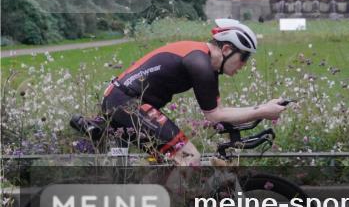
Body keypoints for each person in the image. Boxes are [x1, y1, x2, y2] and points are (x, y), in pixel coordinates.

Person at [76, 18, 288, 166]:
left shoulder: (206, 63)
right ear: (226, 50)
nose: (243, 65)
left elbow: (217, 114)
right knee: (189, 158)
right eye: (244, 57)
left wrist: (263, 108)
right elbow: (214, 116)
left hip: (122, 100)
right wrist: (262, 111)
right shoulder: (200, 63)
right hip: (126, 103)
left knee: (170, 164)